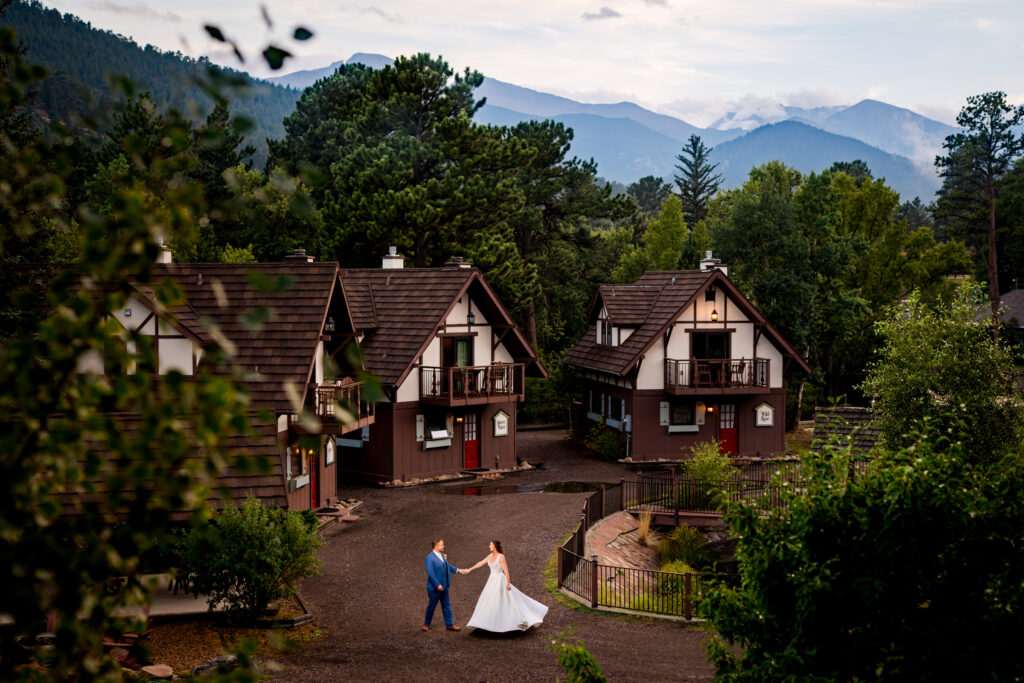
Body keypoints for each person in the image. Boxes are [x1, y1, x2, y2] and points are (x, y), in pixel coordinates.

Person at [464, 540, 548, 632]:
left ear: (495, 546)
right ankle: (486, 622)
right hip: (491, 580)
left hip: (500, 580)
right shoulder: (490, 556)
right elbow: (480, 562)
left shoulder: (501, 557)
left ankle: (508, 621)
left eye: (491, 545)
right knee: (488, 600)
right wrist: (469, 569)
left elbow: (506, 571)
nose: (489, 546)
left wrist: (508, 583)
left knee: (502, 600)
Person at [423, 538, 464, 631]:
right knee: (432, 605)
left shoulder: (441, 555)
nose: (443, 546)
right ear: (436, 546)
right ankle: (426, 623)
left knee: (446, 605)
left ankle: (450, 624)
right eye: (442, 545)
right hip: (435, 588)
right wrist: (437, 584)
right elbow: (430, 572)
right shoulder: (429, 558)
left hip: (444, 586)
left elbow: (447, 566)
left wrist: (457, 570)